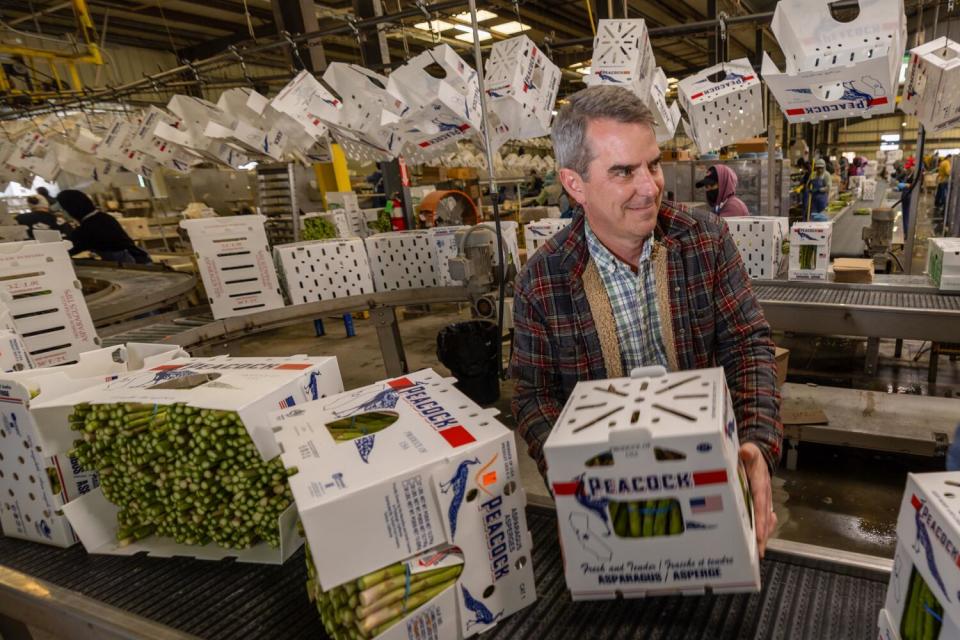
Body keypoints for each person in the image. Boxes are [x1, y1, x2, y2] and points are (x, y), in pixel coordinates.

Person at [511, 85, 781, 556]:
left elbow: (747, 344)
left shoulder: (704, 242)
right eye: (623, 172)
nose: (650, 186)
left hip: (705, 479)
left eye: (652, 164)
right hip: (610, 501)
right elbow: (534, 396)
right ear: (575, 184)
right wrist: (571, 481)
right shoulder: (543, 281)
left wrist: (756, 443)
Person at [56, 190, 151, 264]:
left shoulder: (92, 225)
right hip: (137, 258)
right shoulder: (100, 217)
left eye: (63, 209)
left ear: (72, 208)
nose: (62, 212)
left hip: (132, 263)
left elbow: (73, 245)